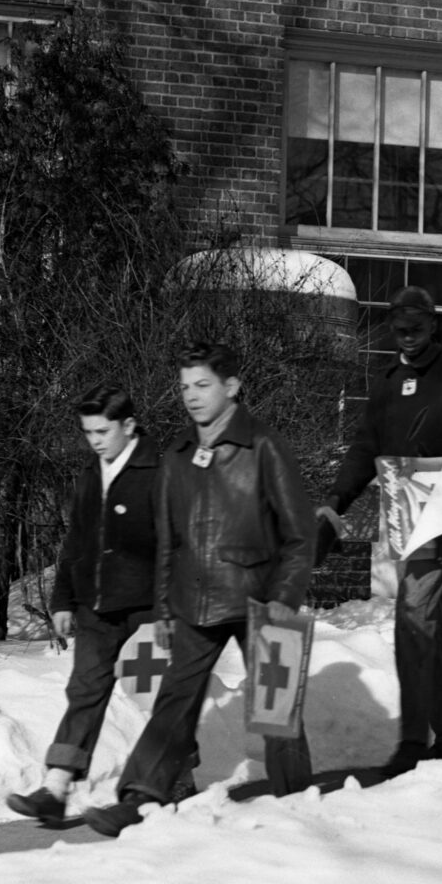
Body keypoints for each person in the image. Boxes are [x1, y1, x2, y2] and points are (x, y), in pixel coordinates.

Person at [83, 342, 318, 837]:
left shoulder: (264, 448)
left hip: (261, 597)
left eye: (202, 384)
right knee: (175, 701)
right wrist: (165, 608)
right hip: (194, 600)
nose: (190, 395)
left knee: (276, 710)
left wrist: (283, 597)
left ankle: (297, 803)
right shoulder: (179, 456)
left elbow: (300, 535)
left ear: (231, 387)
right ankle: (139, 799)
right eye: (185, 385)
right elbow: (168, 540)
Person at [319, 286, 442, 774]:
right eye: (399, 329)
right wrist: (336, 501)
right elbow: (364, 446)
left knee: (413, 616)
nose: (408, 337)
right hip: (401, 509)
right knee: (431, 626)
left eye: (417, 328)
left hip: (441, 512)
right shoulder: (388, 380)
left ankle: (415, 740)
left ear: (433, 326)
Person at [6, 384, 160, 826]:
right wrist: (63, 598)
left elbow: (175, 545)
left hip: (148, 609)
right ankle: (56, 789)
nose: (94, 440)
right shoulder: (91, 476)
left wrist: (170, 610)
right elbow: (75, 541)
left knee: (157, 695)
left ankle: (175, 777)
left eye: (102, 430)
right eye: (87, 431)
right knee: (85, 691)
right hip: (96, 607)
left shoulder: (160, 473)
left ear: (128, 426)